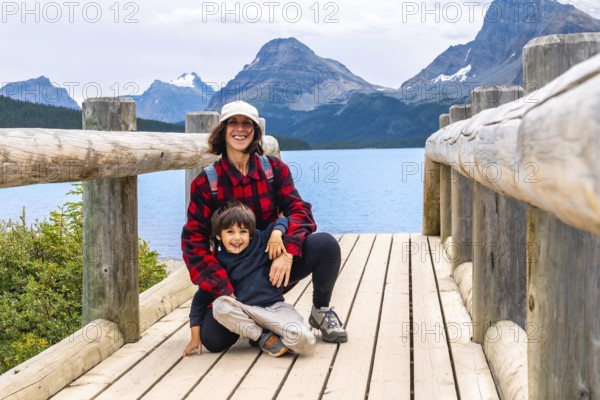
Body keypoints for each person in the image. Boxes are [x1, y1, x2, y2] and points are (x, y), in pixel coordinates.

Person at [181, 100, 347, 353]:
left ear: (256, 131)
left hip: (273, 268)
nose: (240, 129)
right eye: (233, 123)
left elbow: (299, 211)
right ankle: (261, 330)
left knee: (325, 245)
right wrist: (224, 287)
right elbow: (194, 243)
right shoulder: (207, 183)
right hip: (236, 277)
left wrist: (288, 252)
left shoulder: (274, 170)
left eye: (247, 124)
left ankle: (320, 311)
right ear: (223, 130)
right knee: (213, 339)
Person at [183, 200, 315, 357]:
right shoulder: (217, 264)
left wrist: (276, 233)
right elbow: (199, 300)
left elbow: (284, 220)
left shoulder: (261, 241)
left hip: (275, 309)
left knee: (306, 341)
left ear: (250, 233)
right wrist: (195, 338)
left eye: (243, 232)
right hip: (245, 313)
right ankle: (262, 336)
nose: (237, 238)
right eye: (230, 232)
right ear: (218, 235)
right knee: (220, 306)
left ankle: (273, 331)